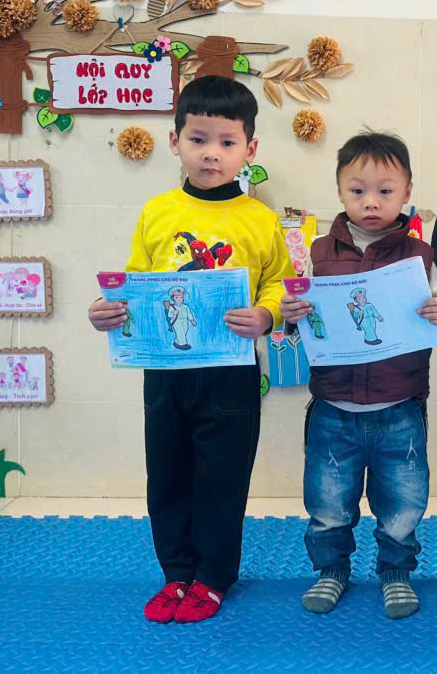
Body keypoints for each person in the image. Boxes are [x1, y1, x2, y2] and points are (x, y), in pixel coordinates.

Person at [87, 75, 294, 625]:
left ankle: (213, 578)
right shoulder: (158, 211)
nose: (211, 154)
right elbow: (134, 282)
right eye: (198, 139)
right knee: (168, 474)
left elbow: (279, 281)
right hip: (165, 371)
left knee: (223, 478)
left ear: (250, 149)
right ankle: (176, 574)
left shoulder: (260, 218)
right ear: (175, 141)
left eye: (227, 142)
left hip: (230, 372)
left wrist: (267, 314)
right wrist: (107, 310)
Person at [280, 132, 437, 620]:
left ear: (407, 192)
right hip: (333, 407)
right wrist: (292, 312)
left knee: (403, 501)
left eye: (385, 191)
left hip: (400, 406)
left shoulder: (420, 256)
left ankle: (396, 572)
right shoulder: (316, 252)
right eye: (357, 191)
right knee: (327, 502)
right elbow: (297, 312)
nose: (371, 202)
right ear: (339, 191)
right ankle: (331, 570)